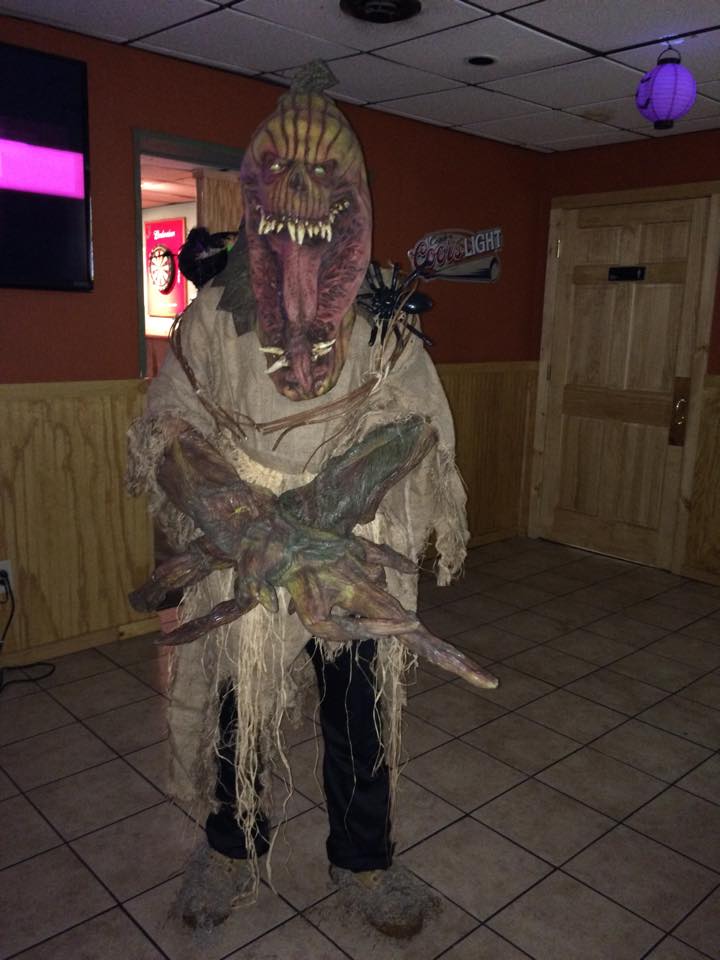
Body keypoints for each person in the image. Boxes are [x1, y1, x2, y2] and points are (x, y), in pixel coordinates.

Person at [126, 63, 470, 939]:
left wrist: (315, 516)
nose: (303, 191)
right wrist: (247, 522)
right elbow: (170, 425)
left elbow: (414, 424)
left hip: (349, 543)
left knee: (359, 711)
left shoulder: (380, 321)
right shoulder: (214, 317)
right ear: (255, 189)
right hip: (245, 552)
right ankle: (231, 847)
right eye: (283, 172)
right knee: (239, 705)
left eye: (325, 175)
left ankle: (365, 861)